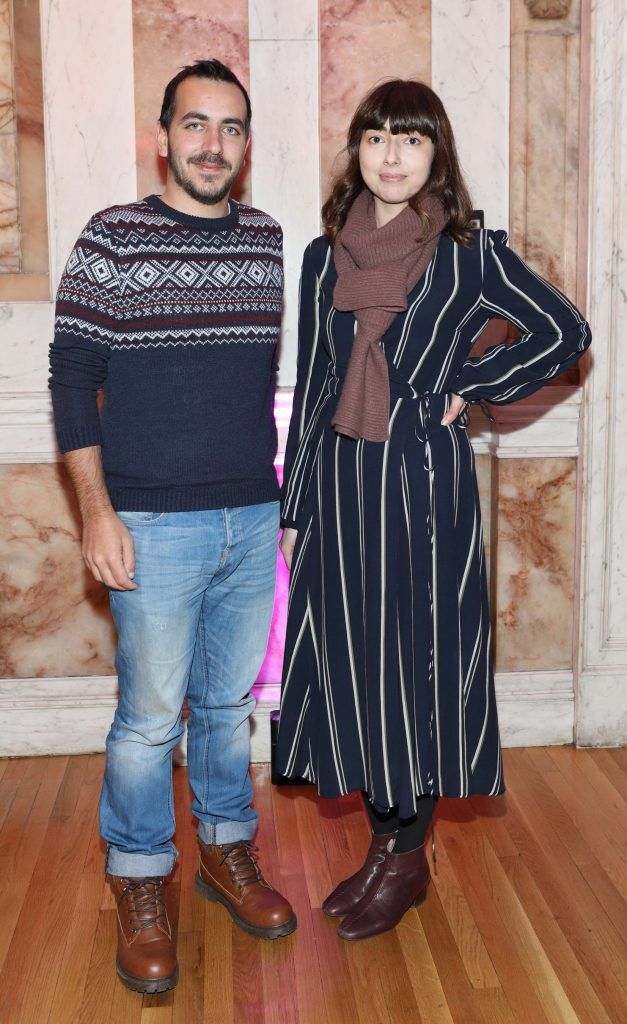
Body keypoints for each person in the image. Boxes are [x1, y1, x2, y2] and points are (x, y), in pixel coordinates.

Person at [276, 79, 591, 941]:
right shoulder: (319, 257)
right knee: (354, 666)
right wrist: (296, 506)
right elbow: (313, 391)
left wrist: (473, 386)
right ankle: (387, 847)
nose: (390, 155)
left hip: (419, 488)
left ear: (434, 153)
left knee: (411, 667)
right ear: (357, 150)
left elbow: (564, 330)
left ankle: (406, 859)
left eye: (409, 141)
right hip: (340, 485)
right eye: (375, 137)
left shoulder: (467, 253)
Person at [49, 59, 295, 994]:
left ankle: (227, 853)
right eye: (195, 126)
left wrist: (278, 508)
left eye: (230, 128)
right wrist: (97, 515)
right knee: (150, 723)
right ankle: (140, 877)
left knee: (229, 709)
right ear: (163, 136)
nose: (212, 146)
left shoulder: (267, 240)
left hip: (249, 511)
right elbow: (71, 380)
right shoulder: (113, 238)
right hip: (150, 521)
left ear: (244, 142)